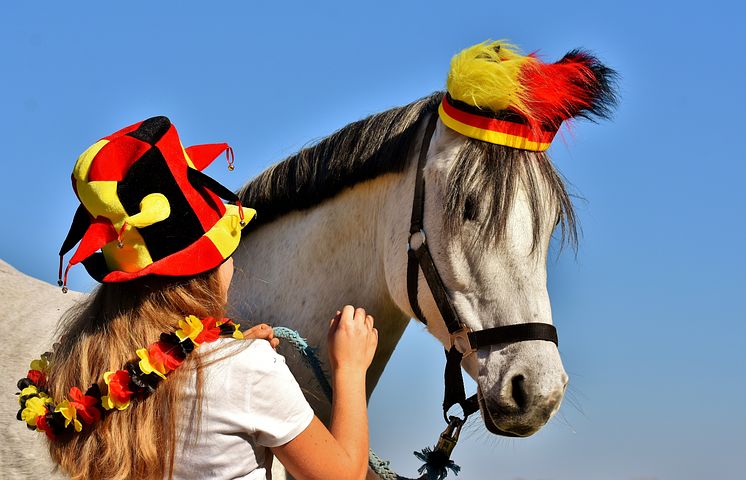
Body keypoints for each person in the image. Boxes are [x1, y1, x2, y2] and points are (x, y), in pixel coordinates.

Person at [15, 116, 378, 480]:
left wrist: (227, 354)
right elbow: (343, 475)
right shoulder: (248, 371)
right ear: (209, 268)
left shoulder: (77, 371)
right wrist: (349, 367)